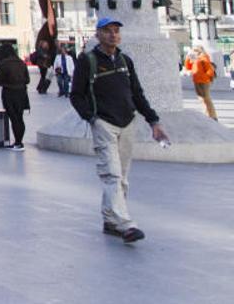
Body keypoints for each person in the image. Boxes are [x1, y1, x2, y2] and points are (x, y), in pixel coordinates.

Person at [70, 17, 168, 244]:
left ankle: (111, 219)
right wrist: (91, 118)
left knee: (122, 177)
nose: (113, 35)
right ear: (98, 34)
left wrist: (153, 121)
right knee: (111, 173)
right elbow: (76, 94)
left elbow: (137, 93)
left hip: (127, 122)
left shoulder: (125, 60)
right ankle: (126, 224)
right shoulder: (88, 61)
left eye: (116, 31)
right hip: (104, 123)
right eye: (107, 31)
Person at [0, 43, 31, 151]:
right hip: (22, 92)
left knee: (13, 118)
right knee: (20, 117)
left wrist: (4, 82)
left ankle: (17, 142)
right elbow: (27, 80)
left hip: (9, 93)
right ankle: (19, 141)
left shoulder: (4, 64)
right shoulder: (21, 63)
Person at [184, 44, 218, 121]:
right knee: (201, 99)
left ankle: (213, 116)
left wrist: (206, 78)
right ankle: (207, 114)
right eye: (194, 50)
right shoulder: (195, 58)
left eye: (196, 50)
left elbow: (209, 70)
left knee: (206, 98)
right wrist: (187, 58)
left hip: (204, 81)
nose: (194, 51)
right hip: (196, 80)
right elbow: (188, 67)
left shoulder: (204, 57)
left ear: (200, 50)